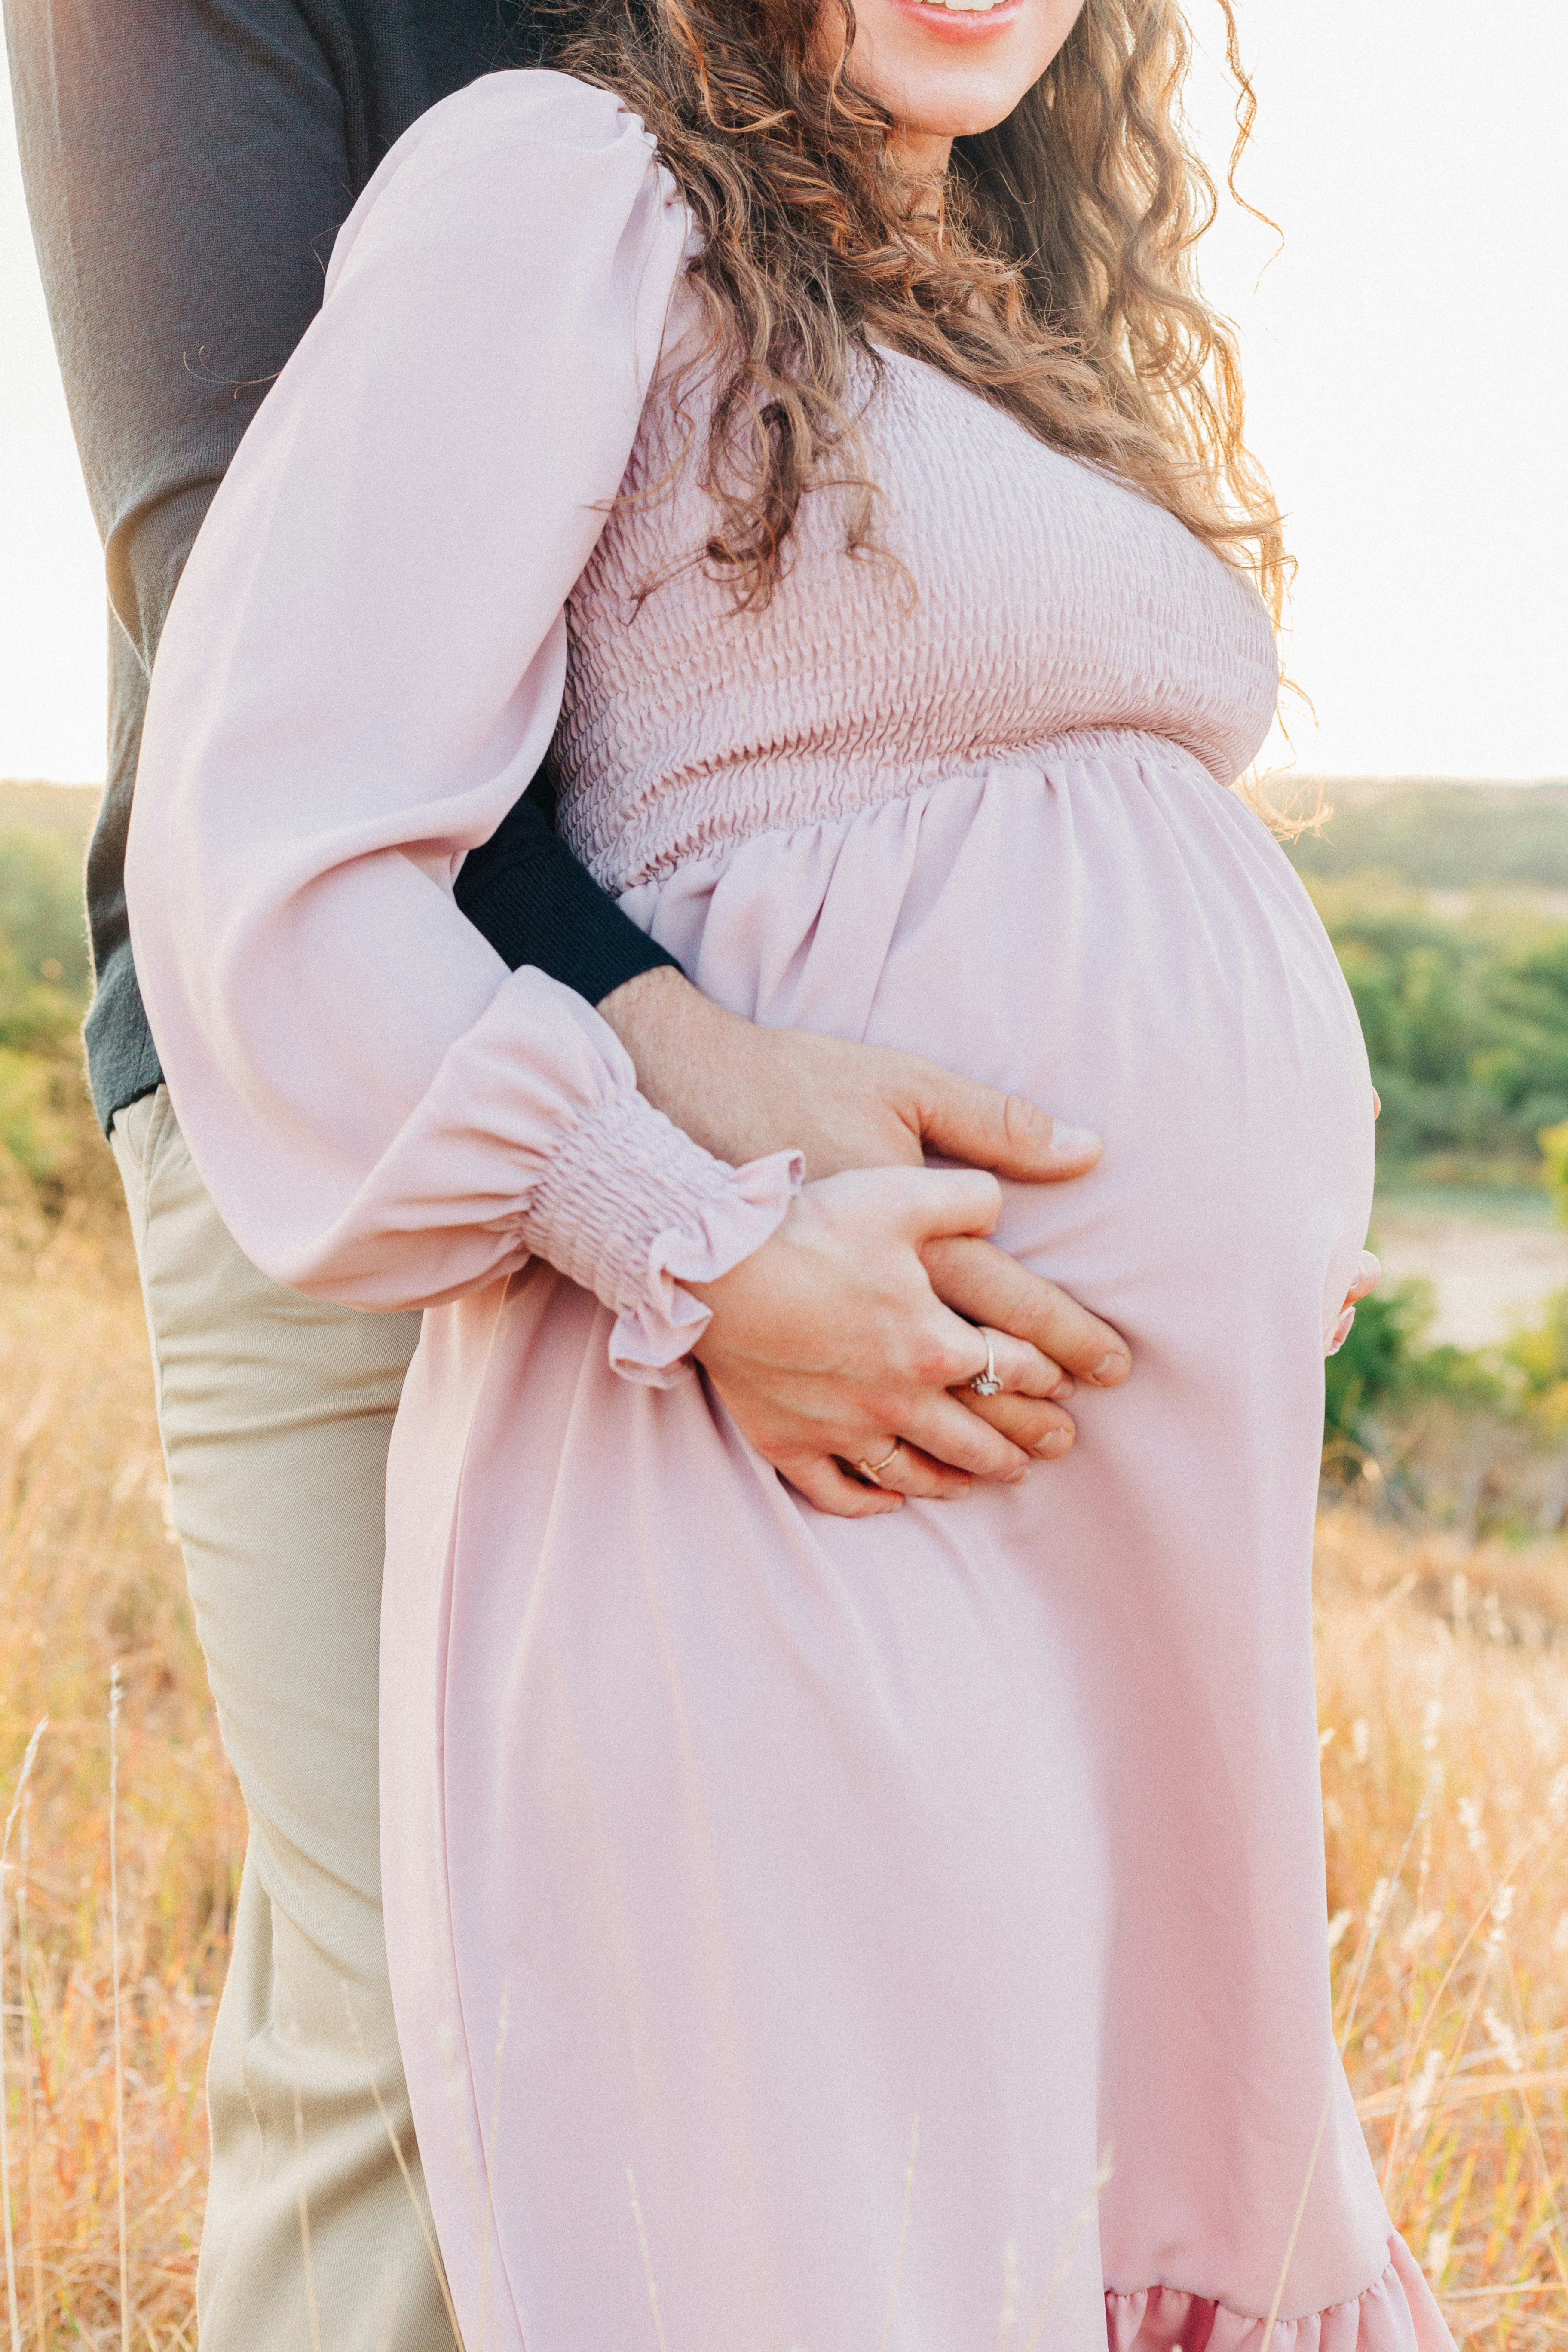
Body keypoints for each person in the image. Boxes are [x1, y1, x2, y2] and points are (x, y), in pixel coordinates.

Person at [123, 0, 1430, 2343]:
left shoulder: (1000, 315)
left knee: (1074, 2231)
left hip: (1115, 1530)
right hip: (784, 1447)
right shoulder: (560, 186)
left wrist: (1255, 1194)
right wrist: (688, 1235)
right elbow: (280, 854)